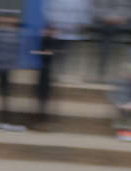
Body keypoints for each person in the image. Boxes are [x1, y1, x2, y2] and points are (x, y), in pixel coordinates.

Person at [35, 0, 86, 128]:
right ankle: (41, 119)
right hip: (44, 76)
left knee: (53, 91)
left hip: (51, 77)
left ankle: (49, 120)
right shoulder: (45, 38)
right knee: (44, 94)